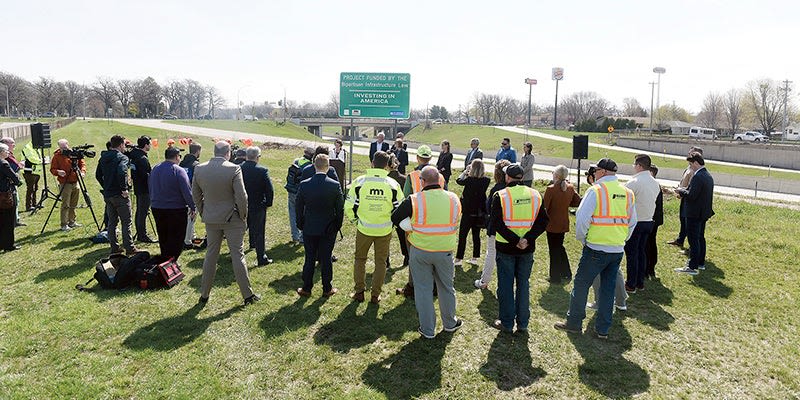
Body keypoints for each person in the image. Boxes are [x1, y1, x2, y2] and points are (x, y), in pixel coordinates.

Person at [554, 158, 637, 340]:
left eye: (596, 170)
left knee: (581, 285)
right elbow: (632, 222)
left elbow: (582, 220)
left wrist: (584, 239)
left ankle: (574, 323)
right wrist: (621, 240)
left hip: (595, 248)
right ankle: (602, 329)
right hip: (616, 250)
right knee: (607, 290)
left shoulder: (596, 191)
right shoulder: (627, 193)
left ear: (602, 172)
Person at [391, 166, 463, 339]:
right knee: (446, 287)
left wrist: (409, 227)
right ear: (439, 180)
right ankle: (450, 323)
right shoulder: (454, 198)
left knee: (423, 289)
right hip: (445, 251)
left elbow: (395, 217)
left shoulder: (415, 199)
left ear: (422, 182)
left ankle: (428, 329)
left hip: (420, 250)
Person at [193, 141, 260, 306]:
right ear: (228, 153)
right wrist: (243, 216)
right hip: (233, 217)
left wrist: (203, 211)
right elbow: (242, 196)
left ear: (214, 151)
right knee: (238, 255)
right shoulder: (233, 168)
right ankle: (247, 295)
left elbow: (195, 194)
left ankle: (204, 294)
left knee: (211, 256)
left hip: (211, 218)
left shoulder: (200, 168)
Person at [490, 163, 549, 333]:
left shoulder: (500, 195)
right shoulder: (536, 194)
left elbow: (496, 223)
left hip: (506, 248)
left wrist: (515, 240)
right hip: (526, 249)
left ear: (507, 177)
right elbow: (543, 221)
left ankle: (507, 323)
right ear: (522, 178)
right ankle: (523, 323)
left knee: (506, 286)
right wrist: (527, 239)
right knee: (523, 285)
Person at [345, 151, 401, 304]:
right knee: (381, 262)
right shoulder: (393, 184)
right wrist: (392, 224)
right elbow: (400, 208)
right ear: (386, 165)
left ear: (372, 163)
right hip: (384, 230)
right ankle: (375, 295)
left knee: (360, 259)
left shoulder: (360, 181)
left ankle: (359, 292)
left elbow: (348, 206)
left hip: (364, 229)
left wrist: (356, 221)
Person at [396, 144, 445, 297]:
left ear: (417, 158)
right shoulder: (440, 176)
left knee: (414, 257)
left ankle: (412, 286)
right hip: (437, 222)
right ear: (430, 158)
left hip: (416, 222)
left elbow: (405, 199)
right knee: (435, 254)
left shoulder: (412, 176)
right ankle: (435, 286)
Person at [295, 154, 344, 297]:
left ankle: (306, 288)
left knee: (309, 258)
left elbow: (298, 207)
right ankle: (327, 288)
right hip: (328, 227)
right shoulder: (334, 185)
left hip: (309, 226)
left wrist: (300, 223)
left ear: (314, 166)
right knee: (326, 258)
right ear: (328, 167)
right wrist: (337, 225)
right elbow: (339, 208)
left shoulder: (305, 184)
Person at [149, 146, 195, 261]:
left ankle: (165, 257)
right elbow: (187, 191)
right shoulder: (178, 170)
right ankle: (173, 260)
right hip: (175, 209)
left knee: (163, 235)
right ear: (176, 157)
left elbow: (150, 186)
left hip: (157, 207)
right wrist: (192, 206)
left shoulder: (155, 168)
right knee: (177, 237)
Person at [623, 154, 661, 293]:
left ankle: (631, 284)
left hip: (636, 222)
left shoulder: (634, 182)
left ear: (639, 166)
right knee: (641, 252)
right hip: (648, 221)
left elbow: (624, 201)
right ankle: (640, 282)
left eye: (635, 165)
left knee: (632, 253)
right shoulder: (654, 182)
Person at [674, 152, 714, 275]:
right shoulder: (707, 175)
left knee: (693, 239)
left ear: (696, 163)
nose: (690, 167)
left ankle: (692, 266)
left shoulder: (697, 176)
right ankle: (700, 263)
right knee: (700, 238)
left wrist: (680, 191)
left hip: (694, 213)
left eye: (691, 164)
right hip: (703, 213)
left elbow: (692, 195)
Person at [97, 135, 137, 255]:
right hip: (119, 194)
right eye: (124, 145)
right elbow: (121, 171)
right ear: (120, 145)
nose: (125, 147)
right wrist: (123, 188)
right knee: (126, 221)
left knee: (112, 222)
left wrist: (106, 186)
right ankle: (129, 247)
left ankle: (114, 247)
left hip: (108, 194)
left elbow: (98, 175)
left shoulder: (103, 157)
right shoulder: (122, 157)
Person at [474, 159, 511, 289]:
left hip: (496, 227)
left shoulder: (496, 189)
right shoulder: (513, 188)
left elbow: (488, 207)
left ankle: (484, 281)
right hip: (512, 228)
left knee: (491, 253)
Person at [543, 165, 581, 284]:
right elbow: (577, 201)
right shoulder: (569, 188)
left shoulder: (551, 189)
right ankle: (566, 272)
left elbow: (545, 207)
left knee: (554, 250)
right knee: (559, 247)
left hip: (552, 224)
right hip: (563, 222)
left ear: (556, 175)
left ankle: (555, 277)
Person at [241, 146, 274, 266]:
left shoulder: (239, 169)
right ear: (257, 157)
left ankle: (236, 254)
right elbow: (269, 189)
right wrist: (268, 203)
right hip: (258, 204)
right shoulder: (262, 170)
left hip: (242, 204)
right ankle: (261, 257)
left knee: (240, 230)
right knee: (259, 231)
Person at [454, 158, 490, 266]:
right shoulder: (486, 180)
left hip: (468, 211)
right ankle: (475, 258)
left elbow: (458, 180)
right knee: (476, 235)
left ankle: (459, 259)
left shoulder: (469, 180)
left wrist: (465, 171)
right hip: (479, 212)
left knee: (463, 236)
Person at [668, 146, 703, 249]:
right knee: (683, 221)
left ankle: (689, 245)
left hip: (688, 199)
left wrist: (681, 192)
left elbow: (692, 188)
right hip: (683, 197)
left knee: (688, 224)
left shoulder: (695, 171)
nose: (689, 155)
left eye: (691, 153)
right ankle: (680, 240)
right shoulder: (689, 167)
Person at [49, 139, 86, 231]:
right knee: (65, 204)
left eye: (65, 147)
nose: (64, 149)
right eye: (62, 148)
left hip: (75, 182)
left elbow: (82, 163)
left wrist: (82, 172)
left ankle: (72, 221)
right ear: (59, 147)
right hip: (65, 183)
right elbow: (52, 169)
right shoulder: (57, 156)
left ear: (68, 145)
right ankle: (64, 224)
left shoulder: (74, 154)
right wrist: (58, 172)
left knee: (74, 203)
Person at [128, 136, 156, 243]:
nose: (150, 146)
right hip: (144, 189)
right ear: (145, 145)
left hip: (138, 187)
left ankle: (141, 233)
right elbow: (147, 176)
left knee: (140, 211)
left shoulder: (134, 155)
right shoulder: (142, 159)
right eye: (149, 144)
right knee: (142, 212)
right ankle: (142, 235)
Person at [285, 147, 314, 244]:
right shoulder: (310, 166)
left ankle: (295, 236)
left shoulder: (296, 161)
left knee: (292, 214)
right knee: (303, 214)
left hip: (291, 191)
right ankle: (302, 237)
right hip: (302, 193)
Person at [388, 154, 409, 267]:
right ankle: (406, 256)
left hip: (388, 210)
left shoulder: (386, 179)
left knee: (386, 236)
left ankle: (386, 260)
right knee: (402, 235)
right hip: (401, 211)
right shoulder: (404, 179)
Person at [180, 142, 202, 249]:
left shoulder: (182, 163)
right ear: (198, 151)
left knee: (187, 217)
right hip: (192, 193)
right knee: (191, 216)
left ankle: (191, 236)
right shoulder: (196, 165)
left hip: (181, 192)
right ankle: (187, 241)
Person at [0, 143, 21, 251]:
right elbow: (14, 177)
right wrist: (17, 179)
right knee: (8, 221)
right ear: (2, 152)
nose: (8, 153)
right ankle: (9, 245)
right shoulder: (4, 163)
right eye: (6, 151)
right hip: (5, 195)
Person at [645, 165, 664, 279]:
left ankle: (650, 267)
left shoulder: (654, 185)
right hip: (653, 219)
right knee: (650, 243)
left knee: (649, 243)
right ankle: (649, 268)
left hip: (652, 219)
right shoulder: (655, 185)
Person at [1, 137, 24, 226]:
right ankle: (12, 222)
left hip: (10, 184)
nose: (14, 144)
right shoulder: (4, 161)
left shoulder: (8, 156)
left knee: (16, 201)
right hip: (6, 186)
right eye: (12, 143)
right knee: (10, 203)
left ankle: (15, 220)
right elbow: (11, 170)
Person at [21, 141, 42, 211]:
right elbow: (31, 159)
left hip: (36, 171)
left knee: (35, 188)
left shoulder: (35, 148)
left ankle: (34, 204)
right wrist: (41, 161)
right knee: (30, 189)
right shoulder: (28, 148)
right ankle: (28, 206)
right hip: (29, 172)